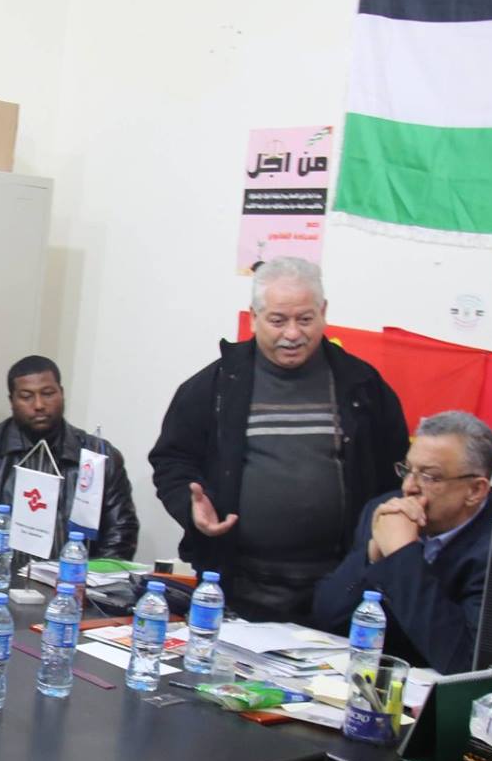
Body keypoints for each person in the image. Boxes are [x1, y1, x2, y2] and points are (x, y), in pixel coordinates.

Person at [150, 257, 407, 622]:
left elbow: (396, 475)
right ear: (254, 317)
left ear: (323, 313)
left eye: (305, 319)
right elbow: (172, 461)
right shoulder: (216, 385)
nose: (292, 333)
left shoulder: (362, 386)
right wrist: (191, 511)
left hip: (342, 586)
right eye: (278, 320)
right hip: (237, 585)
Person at [310, 412, 492, 674]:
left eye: (430, 477)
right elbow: (327, 619)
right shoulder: (386, 511)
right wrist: (373, 555)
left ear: (475, 490)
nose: (409, 487)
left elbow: (467, 663)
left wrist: (401, 556)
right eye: (407, 470)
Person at [0, 354, 140, 563]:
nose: (39, 405)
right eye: (26, 396)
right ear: (11, 400)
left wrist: (87, 578)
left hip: (73, 579)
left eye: (48, 394)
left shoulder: (98, 456)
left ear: (62, 393)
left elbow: (121, 532)